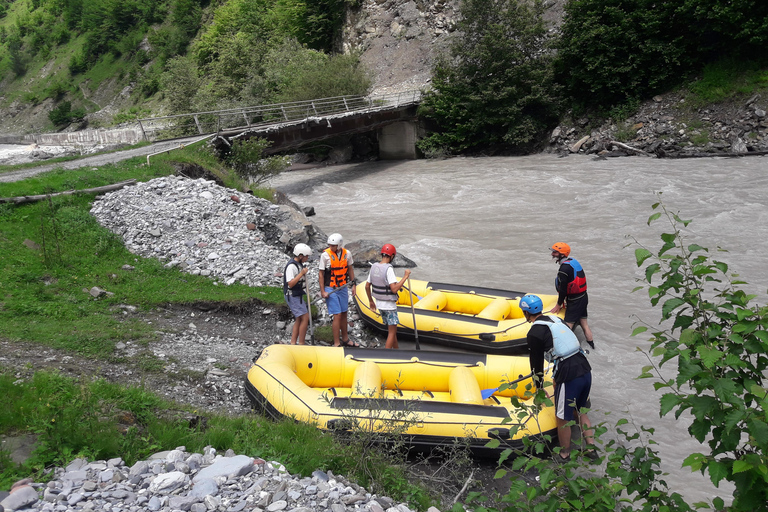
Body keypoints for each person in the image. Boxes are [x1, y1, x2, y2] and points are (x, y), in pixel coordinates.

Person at [520, 294, 597, 461]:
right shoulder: (556, 320)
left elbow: (536, 364)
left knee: (562, 417)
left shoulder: (534, 332)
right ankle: (591, 450)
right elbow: (563, 345)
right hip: (584, 366)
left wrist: (539, 389)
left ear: (526, 313)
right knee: (581, 410)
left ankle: (564, 453)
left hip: (569, 373)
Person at [549, 242, 595, 350]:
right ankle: (592, 346)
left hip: (575, 301)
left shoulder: (563, 270)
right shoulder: (572, 261)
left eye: (555, 252)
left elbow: (563, 290)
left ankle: (566, 350)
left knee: (567, 327)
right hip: (583, 297)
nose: (553, 254)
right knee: (584, 324)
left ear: (562, 254)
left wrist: (558, 304)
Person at [365, 243, 411, 349]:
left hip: (379, 304)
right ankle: (386, 355)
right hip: (389, 306)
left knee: (392, 330)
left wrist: (371, 301)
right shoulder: (388, 269)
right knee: (392, 332)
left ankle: (396, 351)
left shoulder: (374, 267)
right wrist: (405, 276)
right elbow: (394, 289)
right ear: (392, 256)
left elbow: (367, 286)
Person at [318, 233, 359, 347]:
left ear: (339, 245)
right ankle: (337, 343)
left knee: (344, 313)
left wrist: (353, 284)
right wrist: (322, 291)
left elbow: (350, 269)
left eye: (333, 245)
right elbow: (321, 274)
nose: (331, 247)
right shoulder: (325, 256)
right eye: (330, 245)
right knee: (337, 315)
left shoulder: (347, 254)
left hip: (342, 287)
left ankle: (345, 339)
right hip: (330, 288)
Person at [283, 243, 312, 345]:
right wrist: (301, 274)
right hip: (292, 295)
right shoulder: (291, 267)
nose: (307, 258)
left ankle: (293, 342)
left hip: (297, 294)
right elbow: (290, 283)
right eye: (306, 256)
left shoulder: (298, 264)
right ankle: (301, 343)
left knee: (299, 318)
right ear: (300, 256)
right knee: (305, 317)